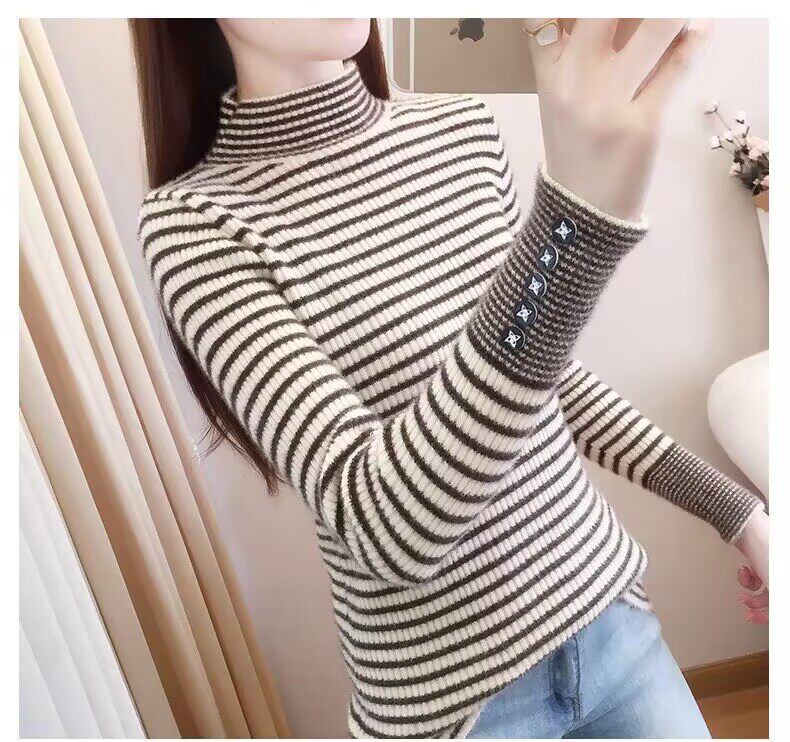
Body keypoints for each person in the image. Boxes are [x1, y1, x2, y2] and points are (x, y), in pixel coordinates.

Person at [131, 18, 769, 739]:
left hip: (610, 621)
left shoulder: (461, 128)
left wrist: (740, 517)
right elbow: (388, 528)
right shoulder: (194, 224)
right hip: (457, 709)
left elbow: (547, 385)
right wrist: (572, 227)